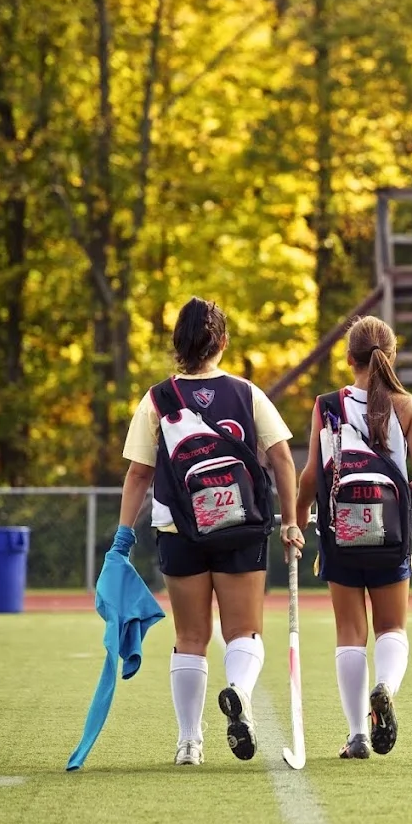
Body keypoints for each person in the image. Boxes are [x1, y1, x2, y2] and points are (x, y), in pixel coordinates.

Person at [117, 297, 303, 766]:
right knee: (244, 631)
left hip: (179, 529)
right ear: (222, 341)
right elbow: (281, 456)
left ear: (177, 344)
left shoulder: (157, 399)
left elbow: (139, 473)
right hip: (242, 526)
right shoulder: (246, 393)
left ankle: (188, 743)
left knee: (191, 636)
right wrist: (292, 520)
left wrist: (122, 538)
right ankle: (238, 689)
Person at [296, 316, 412, 759]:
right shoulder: (409, 407)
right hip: (391, 533)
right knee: (392, 627)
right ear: (391, 356)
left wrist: (300, 517)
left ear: (348, 358)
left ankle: (357, 734)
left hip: (340, 535)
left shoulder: (327, 405)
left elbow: (309, 476)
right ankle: (387, 688)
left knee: (349, 632)